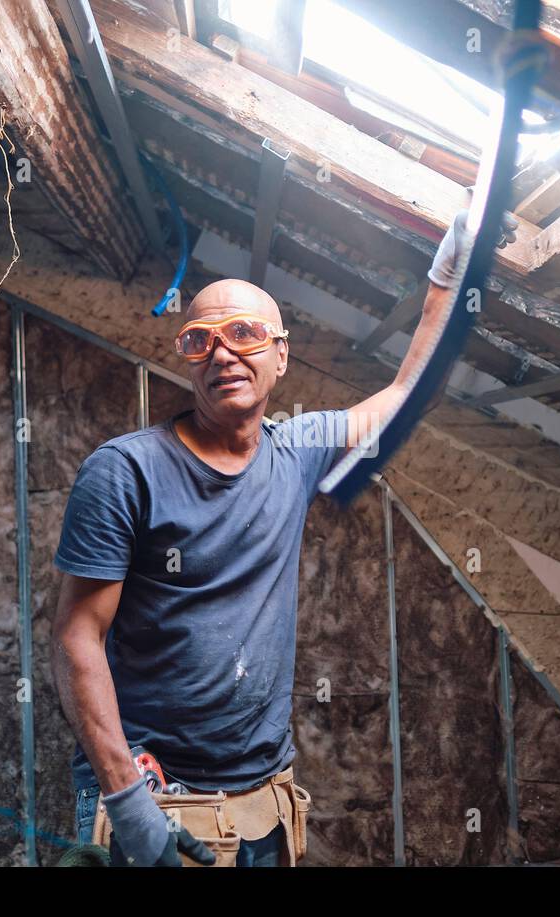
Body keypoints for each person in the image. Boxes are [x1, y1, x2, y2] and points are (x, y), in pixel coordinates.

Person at [51, 209, 516, 866]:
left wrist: (447, 278)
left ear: (281, 354)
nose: (222, 354)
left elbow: (410, 394)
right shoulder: (126, 472)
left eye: (244, 334)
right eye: (200, 341)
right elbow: (76, 636)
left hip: (263, 803)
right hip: (156, 800)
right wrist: (128, 804)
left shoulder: (296, 452)